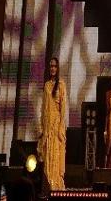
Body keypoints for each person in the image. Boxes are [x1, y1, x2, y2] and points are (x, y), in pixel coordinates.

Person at [38, 57, 67, 191]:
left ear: (58, 68)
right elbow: (44, 107)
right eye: (51, 66)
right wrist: (42, 127)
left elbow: (63, 108)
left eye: (55, 66)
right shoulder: (47, 85)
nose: (53, 68)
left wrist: (60, 127)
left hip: (56, 125)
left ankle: (55, 186)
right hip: (47, 125)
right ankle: (47, 185)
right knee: (47, 155)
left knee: (56, 155)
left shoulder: (61, 85)